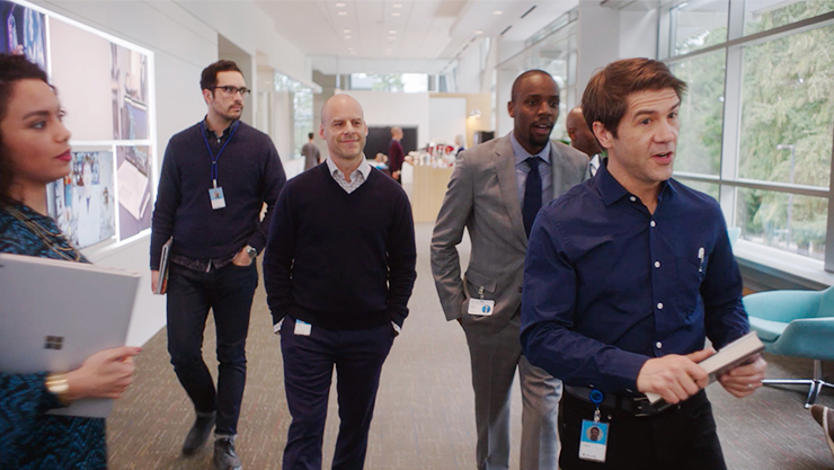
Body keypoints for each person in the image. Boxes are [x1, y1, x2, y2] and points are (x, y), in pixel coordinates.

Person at [521, 58, 767, 469]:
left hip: (689, 420)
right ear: (604, 133)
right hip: (601, 422)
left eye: (672, 116)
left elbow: (724, 304)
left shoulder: (703, 214)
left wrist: (739, 352)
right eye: (646, 121)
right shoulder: (561, 222)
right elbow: (542, 336)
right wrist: (638, 370)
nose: (667, 135)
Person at [431, 69, 588, 470]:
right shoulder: (476, 163)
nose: (545, 111)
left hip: (550, 318)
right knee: (492, 415)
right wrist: (458, 305)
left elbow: (585, 245)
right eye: (534, 101)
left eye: (552, 102)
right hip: (489, 316)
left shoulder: (576, 164)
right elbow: (443, 240)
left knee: (545, 413)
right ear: (512, 107)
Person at [0, 53, 140, 468]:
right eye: (39, 123)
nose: (64, 134)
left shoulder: (40, 224)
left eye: (59, 116)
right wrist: (69, 385)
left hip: (74, 443)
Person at [264, 94, 416, 470]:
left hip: (368, 334)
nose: (348, 130)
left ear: (364, 128)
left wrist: (393, 320)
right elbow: (277, 258)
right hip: (306, 333)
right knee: (306, 426)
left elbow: (404, 264)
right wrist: (282, 317)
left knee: (355, 427)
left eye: (355, 122)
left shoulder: (392, 196)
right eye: (338, 123)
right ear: (322, 132)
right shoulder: (296, 192)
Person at [149, 59, 286, 470]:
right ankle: (206, 409)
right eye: (228, 90)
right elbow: (164, 208)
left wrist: (253, 249)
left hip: (235, 269)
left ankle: (226, 437)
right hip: (187, 269)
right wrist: (157, 263)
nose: (237, 97)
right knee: (182, 352)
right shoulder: (180, 145)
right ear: (207, 94)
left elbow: (280, 202)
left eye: (241, 91)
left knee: (232, 355)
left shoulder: (259, 146)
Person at [565, 106, 604, 177]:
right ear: (572, 134)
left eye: (600, 127)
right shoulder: (559, 167)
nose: (601, 134)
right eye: (593, 128)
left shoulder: (611, 169)